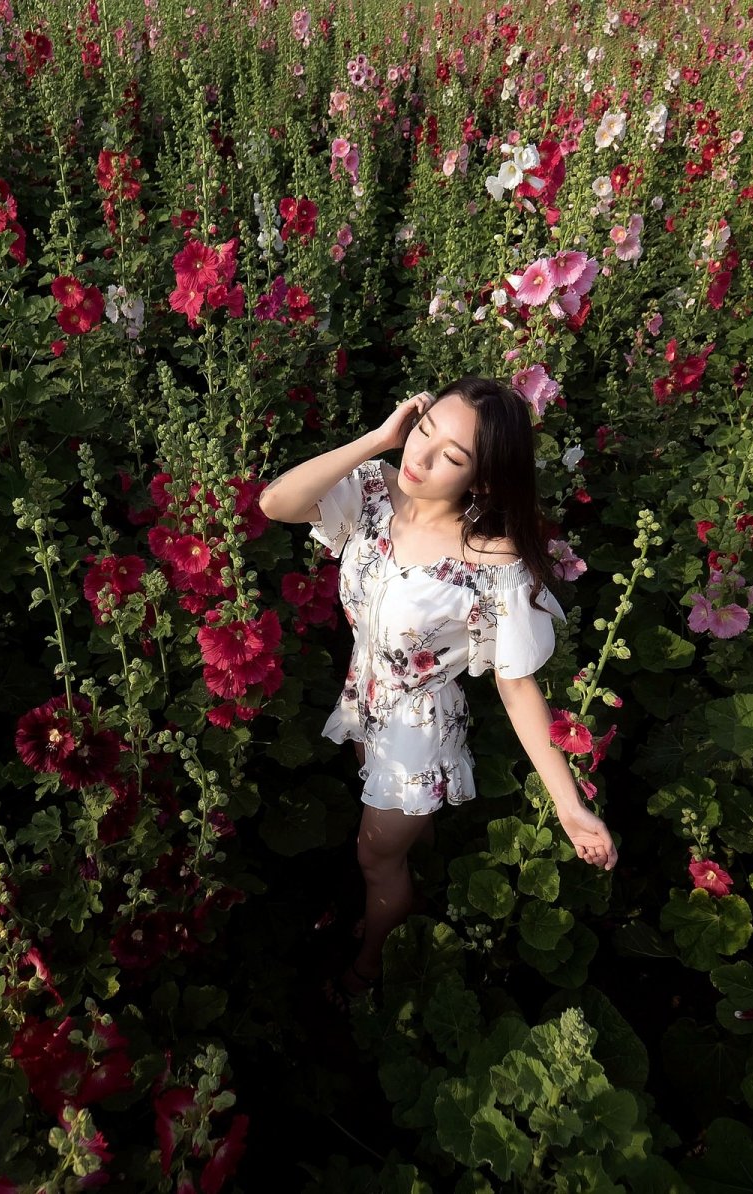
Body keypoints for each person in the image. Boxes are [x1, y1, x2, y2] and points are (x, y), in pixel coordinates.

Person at [257, 376, 617, 1008]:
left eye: (451, 456)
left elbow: (516, 686)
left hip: (415, 734)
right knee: (397, 843)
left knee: (374, 859)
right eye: (423, 430)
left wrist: (568, 805)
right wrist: (375, 441)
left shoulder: (491, 564)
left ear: (481, 481)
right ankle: (417, 870)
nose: (419, 459)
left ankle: (372, 967)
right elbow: (276, 504)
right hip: (365, 698)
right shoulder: (372, 493)